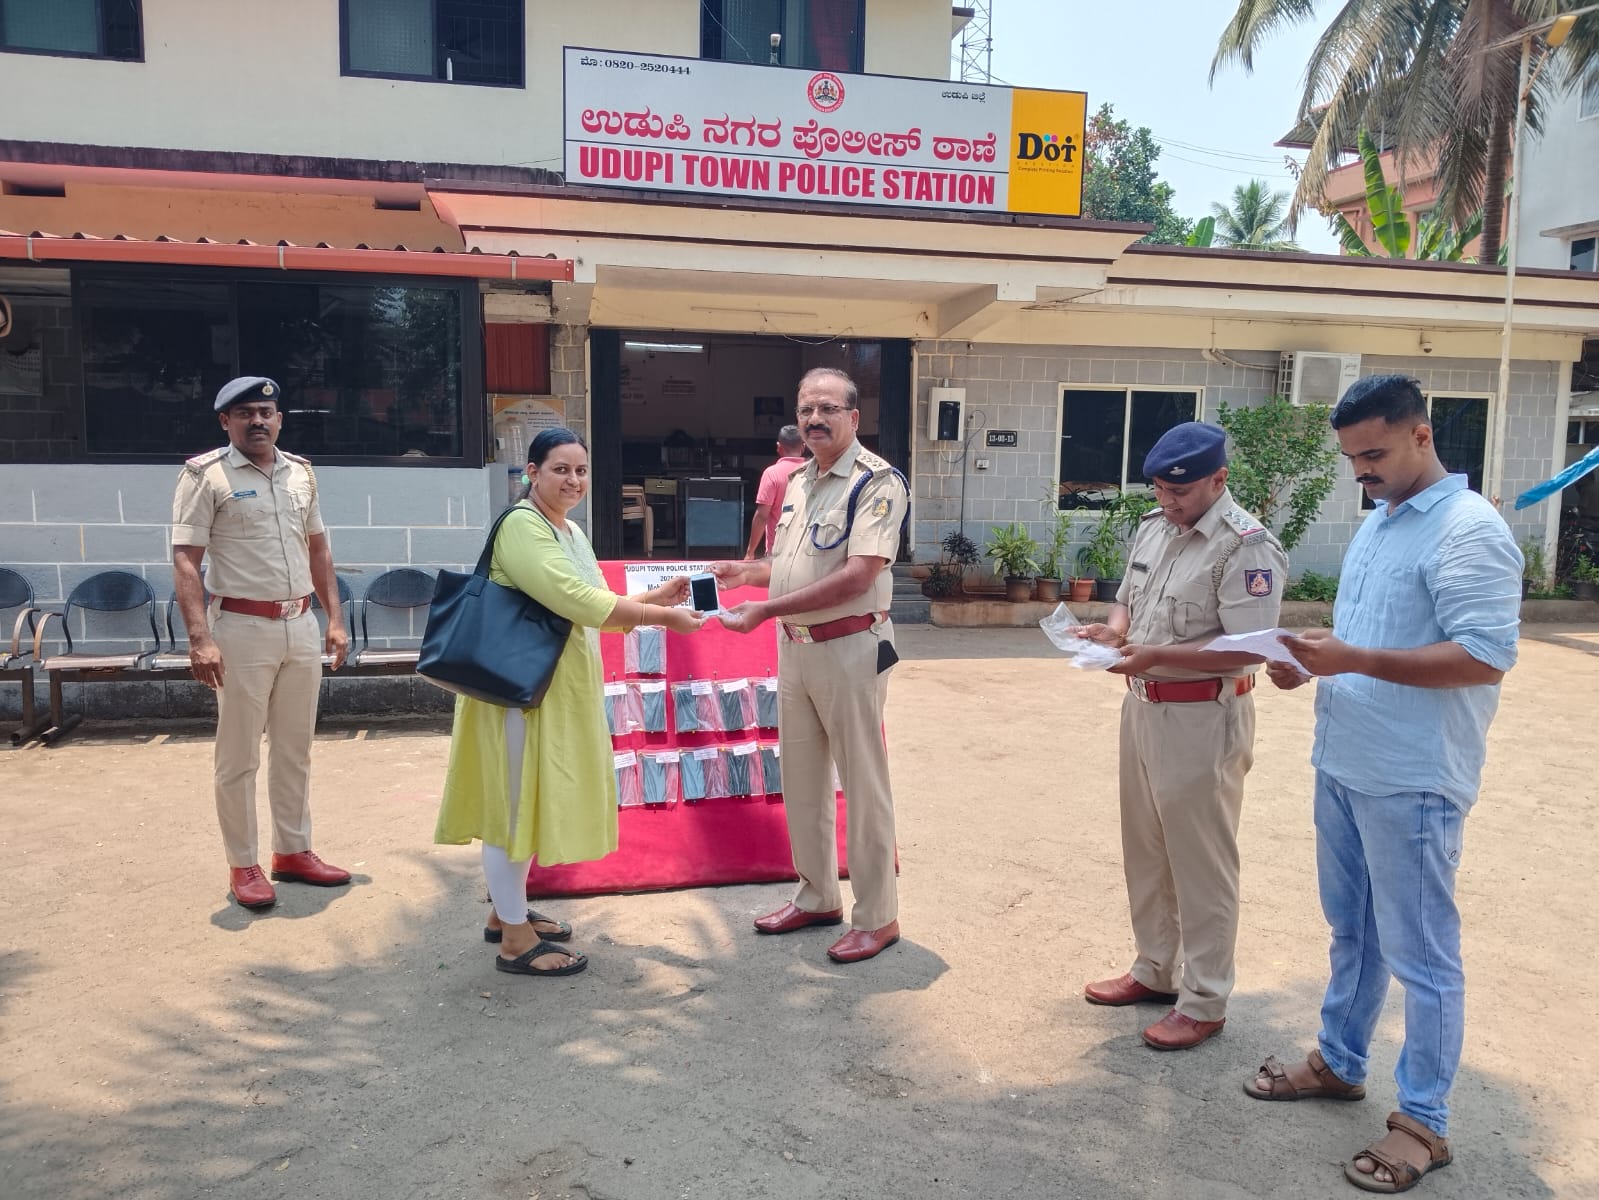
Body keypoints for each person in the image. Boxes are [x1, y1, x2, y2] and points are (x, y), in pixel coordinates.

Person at [1245, 375, 1522, 1195]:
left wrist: (1356, 660)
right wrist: (1313, 664)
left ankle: (1424, 1123)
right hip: (1345, 762)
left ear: (1421, 435)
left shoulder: (1469, 531)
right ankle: (1338, 1060)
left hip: (1413, 778)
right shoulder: (1381, 524)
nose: (1359, 470)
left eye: (1373, 453)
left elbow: (1484, 655)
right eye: (1350, 458)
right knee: (1352, 934)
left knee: (1423, 956)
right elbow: (1368, 638)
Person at [434, 428, 706, 978]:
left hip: (553, 691)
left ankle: (504, 912)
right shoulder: (522, 527)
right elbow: (576, 600)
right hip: (515, 690)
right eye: (560, 469)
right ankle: (514, 939)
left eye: (581, 471)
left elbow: (596, 599)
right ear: (532, 473)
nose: (574, 481)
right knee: (511, 810)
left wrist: (656, 597)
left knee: (529, 800)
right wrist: (664, 620)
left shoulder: (570, 531)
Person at [1074, 421, 1288, 1049]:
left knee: (1201, 862)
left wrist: (1155, 654)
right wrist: (1114, 631)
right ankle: (1155, 968)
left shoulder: (1244, 546)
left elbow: (1248, 650)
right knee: (1145, 847)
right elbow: (1128, 598)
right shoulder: (1154, 526)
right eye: (1162, 491)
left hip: (1204, 717)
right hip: (1143, 707)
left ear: (1219, 480)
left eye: (1183, 493)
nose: (1170, 502)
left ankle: (1205, 997)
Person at [712, 367, 909, 964]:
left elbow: (857, 575)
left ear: (855, 417)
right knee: (801, 779)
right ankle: (818, 895)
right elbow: (791, 563)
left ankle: (878, 917)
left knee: (863, 784)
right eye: (805, 410)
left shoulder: (877, 483)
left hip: (851, 649)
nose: (814, 419)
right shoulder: (798, 480)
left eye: (827, 409)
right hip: (796, 650)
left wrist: (764, 608)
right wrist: (746, 575)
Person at [172, 375, 352, 911]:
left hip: (299, 625)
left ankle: (293, 851)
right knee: (239, 754)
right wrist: (200, 638)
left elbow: (318, 550)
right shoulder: (206, 476)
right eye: (246, 413)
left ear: (280, 419)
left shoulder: (300, 474)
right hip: (241, 631)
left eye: (267, 413)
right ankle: (244, 862)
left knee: (295, 748)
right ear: (225, 421)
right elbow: (187, 559)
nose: (258, 421)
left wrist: (334, 620)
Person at [744, 426, 808, 559]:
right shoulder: (815, 471)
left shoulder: (772, 474)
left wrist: (750, 552)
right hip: (806, 552)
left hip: (777, 553)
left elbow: (762, 516)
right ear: (803, 446)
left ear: (779, 447)